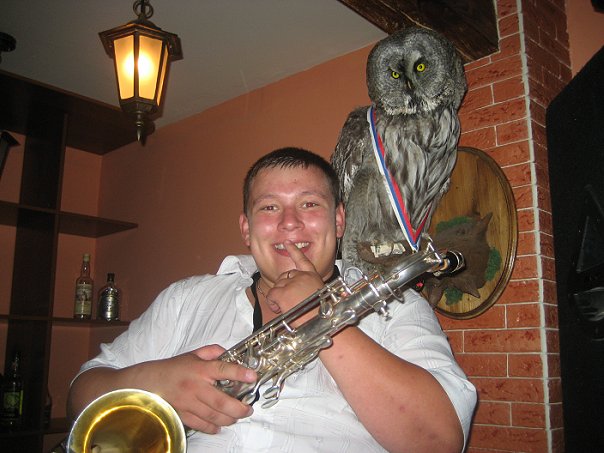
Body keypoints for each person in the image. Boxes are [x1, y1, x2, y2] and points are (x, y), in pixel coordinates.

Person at [68, 147, 476, 453]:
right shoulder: (186, 298)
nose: (289, 223)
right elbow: (81, 398)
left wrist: (318, 312)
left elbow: (439, 441)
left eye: (309, 204)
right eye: (269, 207)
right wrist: (151, 383)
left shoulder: (398, 307)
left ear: (339, 220)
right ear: (246, 228)